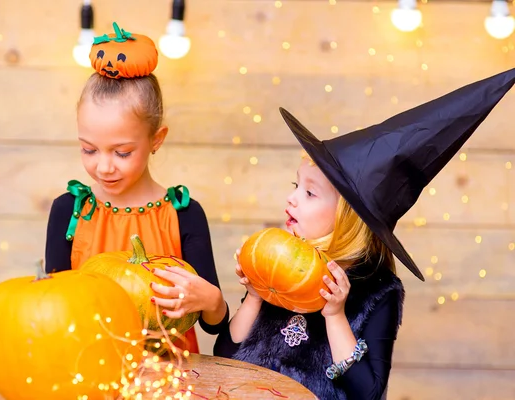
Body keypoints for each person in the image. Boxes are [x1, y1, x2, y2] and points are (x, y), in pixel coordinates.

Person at [214, 68, 515, 399]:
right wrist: (256, 295)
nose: (292, 197)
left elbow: (368, 393)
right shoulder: (275, 261)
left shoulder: (378, 291)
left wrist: (335, 315)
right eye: (295, 185)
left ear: (348, 218)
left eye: (310, 193)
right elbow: (225, 357)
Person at [44, 22, 229, 353]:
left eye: (122, 152)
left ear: (156, 140)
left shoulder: (183, 213)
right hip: (92, 369)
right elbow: (56, 308)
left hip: (171, 375)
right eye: (89, 149)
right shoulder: (68, 211)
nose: (104, 166)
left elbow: (213, 323)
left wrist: (211, 299)